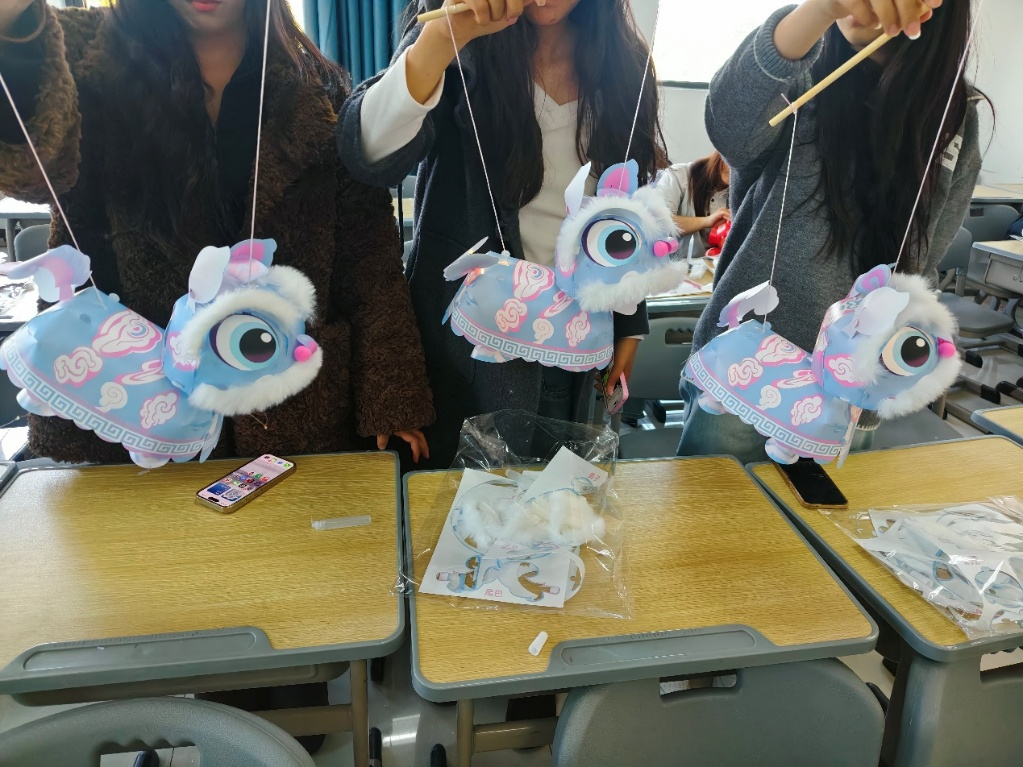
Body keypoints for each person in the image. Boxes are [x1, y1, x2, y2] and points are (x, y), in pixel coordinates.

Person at [0, 0, 434, 466]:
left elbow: (367, 256)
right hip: (137, 411)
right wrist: (15, 27)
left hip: (292, 411)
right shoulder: (91, 65)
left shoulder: (319, 92)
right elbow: (30, 167)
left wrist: (393, 396)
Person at [337, 0, 668, 469]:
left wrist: (630, 321)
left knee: (550, 503)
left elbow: (624, 215)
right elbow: (367, 156)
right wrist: (440, 40)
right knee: (456, 503)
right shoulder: (461, 44)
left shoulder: (624, 67)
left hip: (572, 347)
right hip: (462, 347)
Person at [677, 0, 985, 464]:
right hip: (742, 373)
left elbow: (923, 258)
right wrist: (820, 10)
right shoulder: (800, 64)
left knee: (819, 511)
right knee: (714, 509)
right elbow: (730, 129)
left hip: (855, 390)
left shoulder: (954, 114)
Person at [656, 149, 730, 252]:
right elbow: (659, 223)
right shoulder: (678, 175)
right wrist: (706, 221)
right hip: (677, 260)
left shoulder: (742, 189)